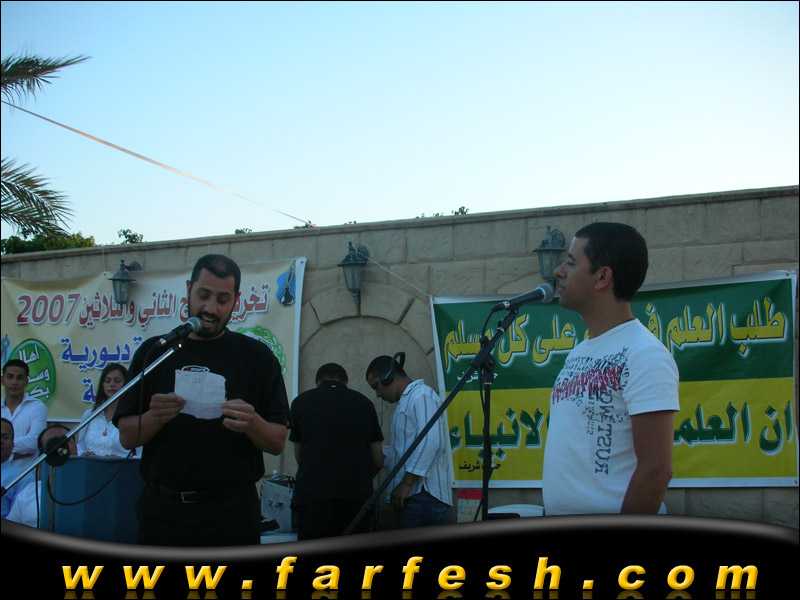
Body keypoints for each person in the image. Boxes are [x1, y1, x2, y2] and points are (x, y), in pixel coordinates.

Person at [113, 254, 291, 546]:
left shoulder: (257, 357)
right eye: (203, 295)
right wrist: (155, 417)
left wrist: (252, 423)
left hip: (230, 515)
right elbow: (127, 437)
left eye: (222, 299)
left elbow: (277, 442)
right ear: (188, 289)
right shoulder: (155, 352)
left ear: (236, 300)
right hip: (162, 513)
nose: (210, 308)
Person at [542, 222, 680, 515]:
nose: (559, 271)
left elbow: (656, 470)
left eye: (571, 262)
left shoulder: (644, 354)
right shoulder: (579, 351)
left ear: (602, 277)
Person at [290, 363, 384, 539]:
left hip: (313, 499)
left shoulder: (300, 403)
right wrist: (359, 477)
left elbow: (299, 455)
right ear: (346, 382)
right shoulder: (365, 404)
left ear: (317, 383)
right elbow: (378, 459)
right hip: (356, 500)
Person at [365, 354, 453, 528]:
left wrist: (406, 483)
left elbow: (430, 441)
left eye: (376, 386)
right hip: (415, 499)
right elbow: (406, 449)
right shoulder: (407, 401)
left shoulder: (421, 396)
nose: (377, 394)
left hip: (423, 498)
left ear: (388, 377)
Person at [5, 424, 78, 528]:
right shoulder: (27, 493)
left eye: (65, 441)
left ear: (76, 447)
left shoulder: (90, 487)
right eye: (52, 443)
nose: (59, 447)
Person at [76, 363, 137, 458]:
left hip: (121, 466)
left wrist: (121, 459)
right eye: (107, 381)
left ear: (126, 383)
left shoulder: (134, 416)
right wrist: (84, 454)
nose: (112, 384)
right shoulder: (90, 414)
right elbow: (80, 447)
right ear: (102, 385)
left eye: (117, 381)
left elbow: (141, 456)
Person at [1, 359, 48, 472]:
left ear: (26, 382)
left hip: (26, 477)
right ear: (2, 380)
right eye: (10, 377)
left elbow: (34, 443)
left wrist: (5, 450)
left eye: (20, 378)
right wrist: (18, 452)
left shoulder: (37, 407)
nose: (14, 382)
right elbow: (28, 444)